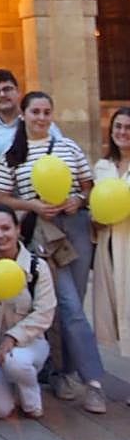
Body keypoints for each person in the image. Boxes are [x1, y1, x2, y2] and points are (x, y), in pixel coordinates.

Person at [0, 91, 105, 413]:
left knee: (74, 305)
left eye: (46, 112)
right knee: (69, 306)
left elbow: (87, 183)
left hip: (76, 229)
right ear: (24, 114)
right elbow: (0, 195)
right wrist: (33, 205)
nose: (41, 117)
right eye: (35, 111)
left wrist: (78, 200)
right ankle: (94, 382)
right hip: (44, 233)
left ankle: (63, 372)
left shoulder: (68, 146)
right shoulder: (13, 154)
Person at [0, 206, 56, 419]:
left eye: (6, 228)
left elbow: (44, 313)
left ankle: (29, 393)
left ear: (18, 229)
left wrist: (12, 337)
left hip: (28, 345)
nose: (0, 235)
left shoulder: (37, 267)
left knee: (15, 362)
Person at [93, 107, 130, 372]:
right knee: (120, 310)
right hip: (110, 247)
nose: (123, 132)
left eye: (129, 128)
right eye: (118, 127)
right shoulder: (102, 167)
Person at [0, 70, 62, 170]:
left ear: (18, 92)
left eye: (7, 89)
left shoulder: (41, 123)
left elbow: (61, 155)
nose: (2, 94)